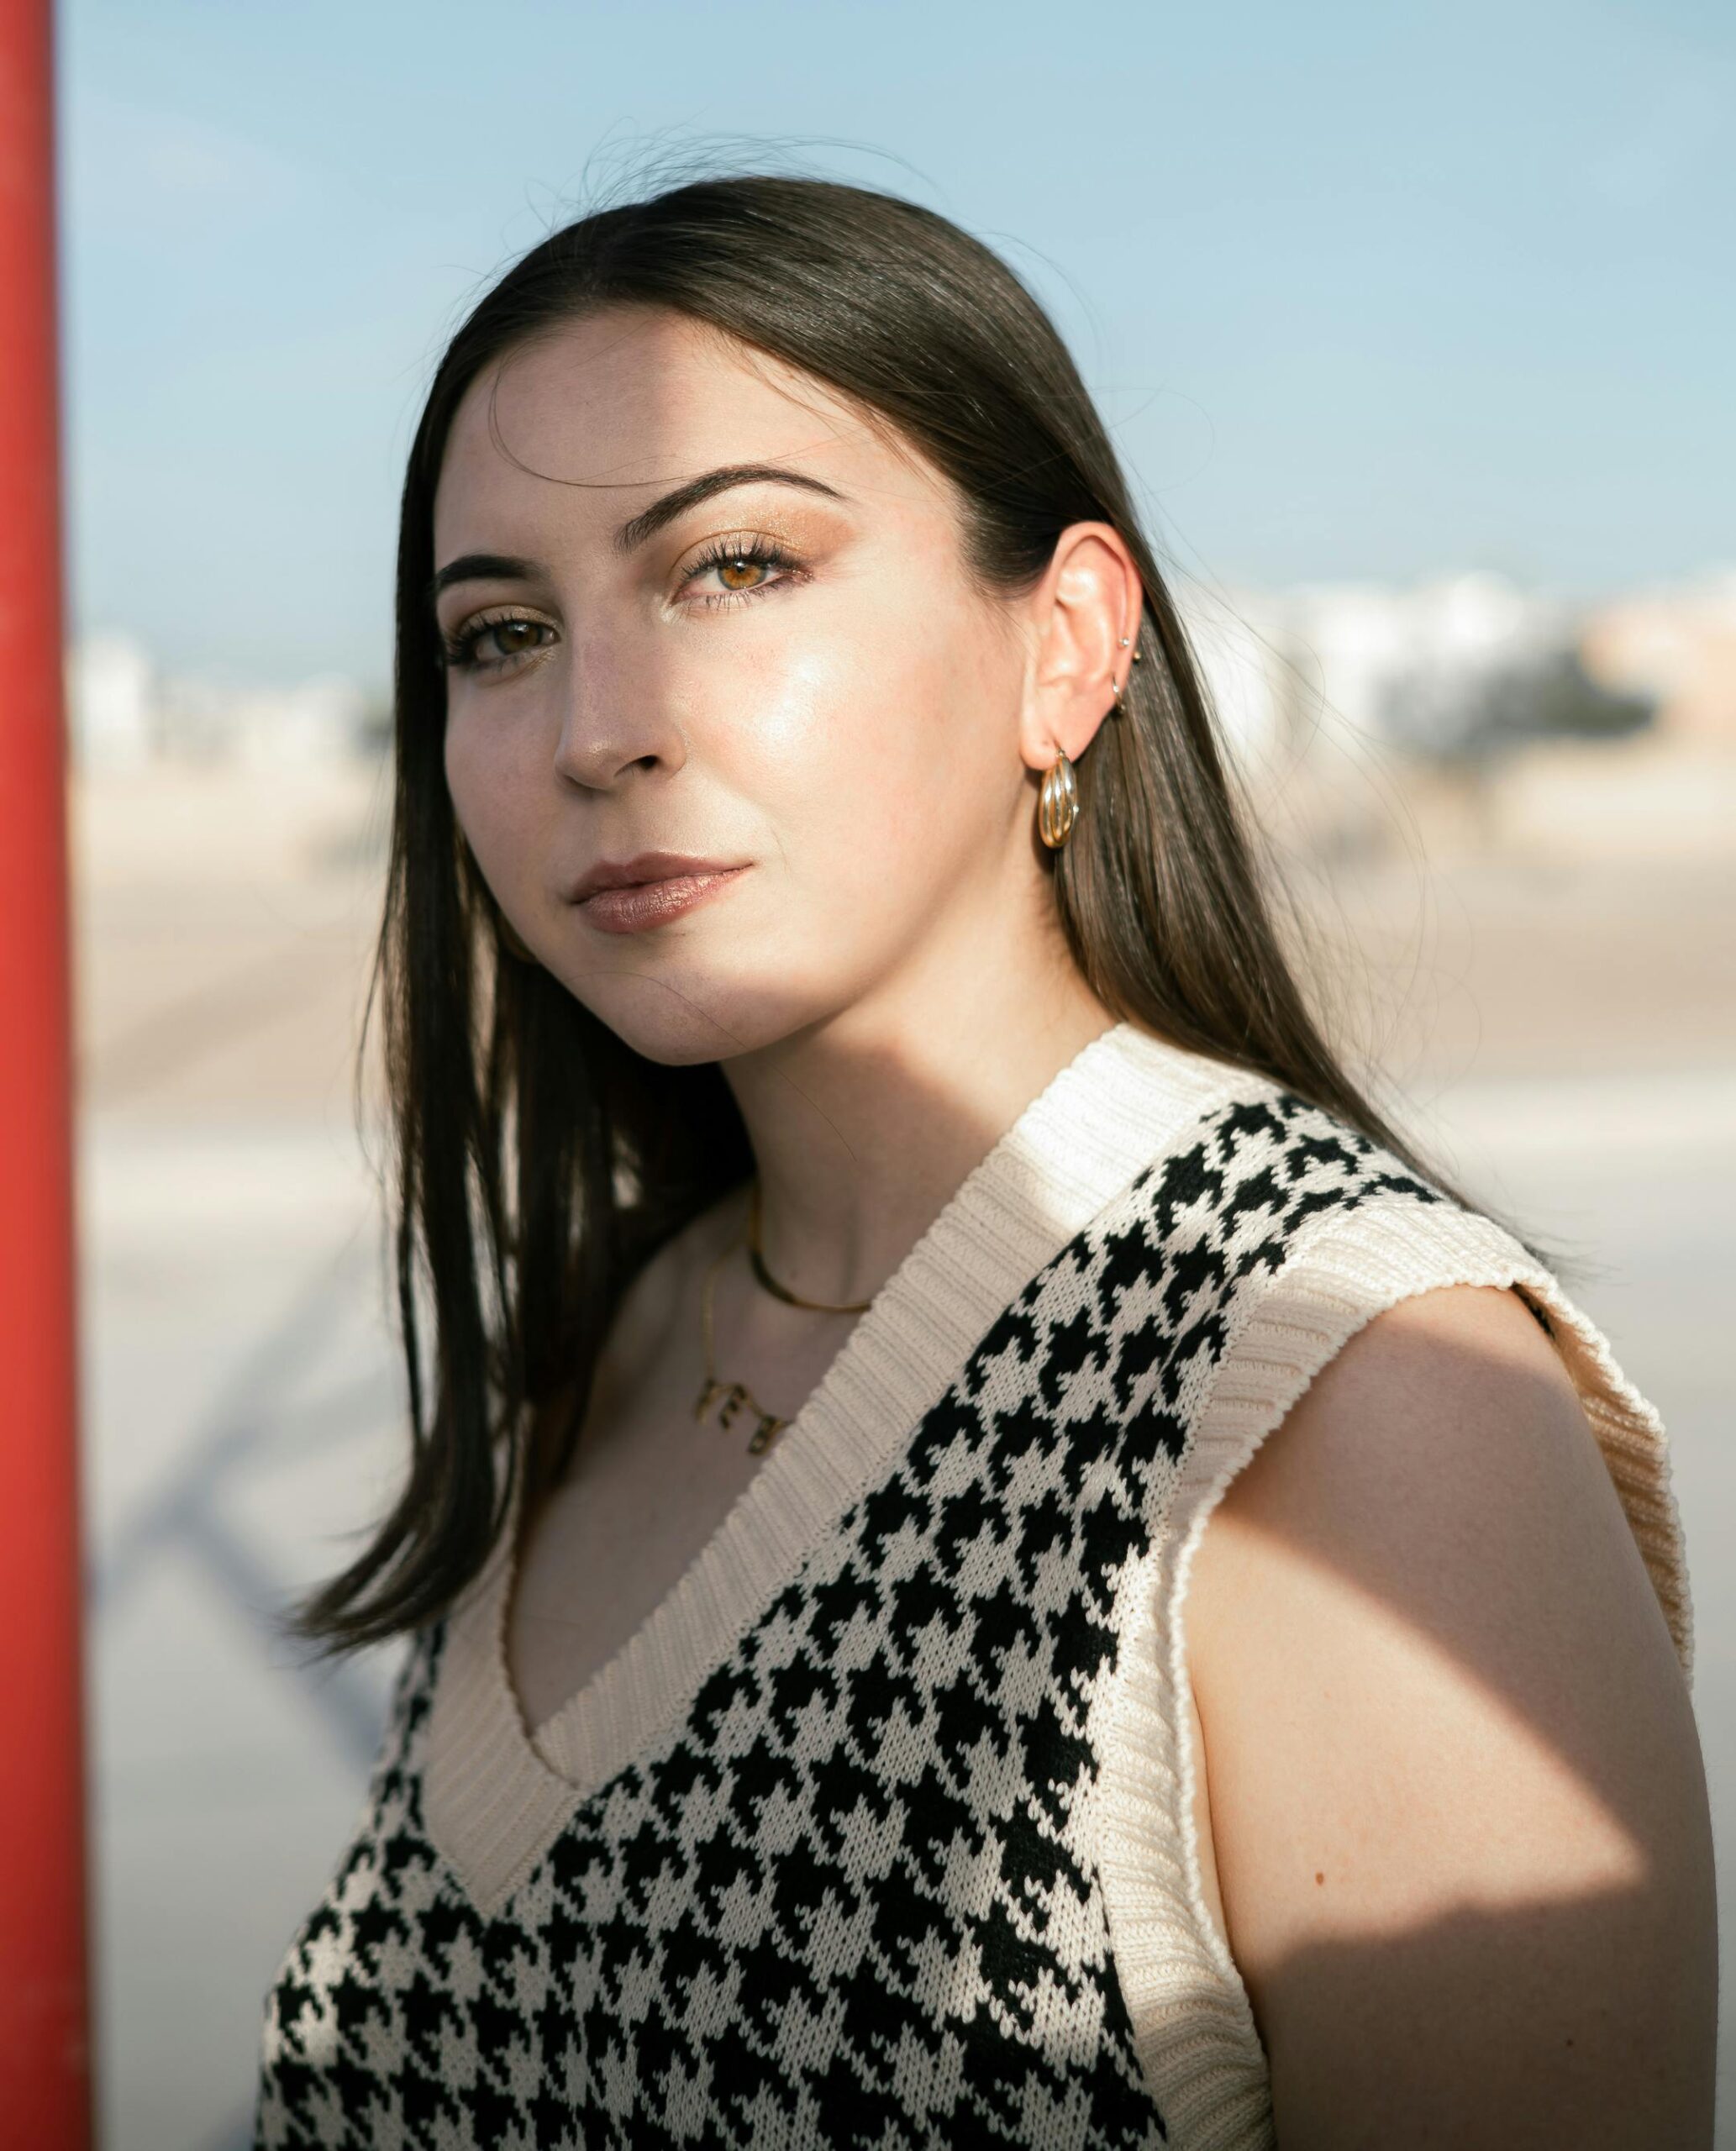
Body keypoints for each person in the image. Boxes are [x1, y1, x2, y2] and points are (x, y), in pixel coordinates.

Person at [250, 174, 1714, 2149]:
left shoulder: (1346, 1389)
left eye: (738, 567)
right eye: (500, 633)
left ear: (1068, 642)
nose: (598, 728)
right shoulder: (607, 1326)